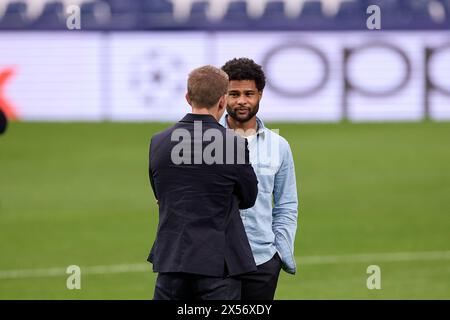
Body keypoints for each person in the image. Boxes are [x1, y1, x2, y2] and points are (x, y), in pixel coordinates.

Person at [147, 65, 259, 300]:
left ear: (188, 98)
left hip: (171, 261)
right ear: (222, 101)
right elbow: (249, 198)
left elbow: (160, 195)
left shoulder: (158, 141)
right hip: (219, 264)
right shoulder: (232, 144)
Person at [221, 58, 299, 300]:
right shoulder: (204, 143)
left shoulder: (279, 146)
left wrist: (280, 252)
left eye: (248, 93)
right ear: (223, 97)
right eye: (234, 94)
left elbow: (286, 205)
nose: (241, 101)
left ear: (260, 95)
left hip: (262, 262)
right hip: (216, 263)